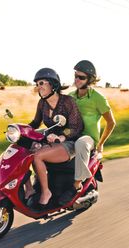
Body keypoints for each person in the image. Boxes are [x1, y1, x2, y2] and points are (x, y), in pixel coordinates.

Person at [26, 68, 84, 209]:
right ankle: (30, 188)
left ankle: (46, 193)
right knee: (24, 149)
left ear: (53, 84)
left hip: (69, 142)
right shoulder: (42, 103)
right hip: (51, 140)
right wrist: (20, 129)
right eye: (37, 84)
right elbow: (35, 123)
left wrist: (61, 137)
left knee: (38, 156)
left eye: (41, 83)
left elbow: (77, 126)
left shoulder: (67, 101)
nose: (38, 87)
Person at [68, 60, 116, 192]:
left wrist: (100, 143)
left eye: (81, 77)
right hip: (70, 135)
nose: (77, 79)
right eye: (76, 76)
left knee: (81, 144)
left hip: (88, 139)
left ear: (90, 80)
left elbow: (111, 122)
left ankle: (77, 185)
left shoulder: (98, 98)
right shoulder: (70, 96)